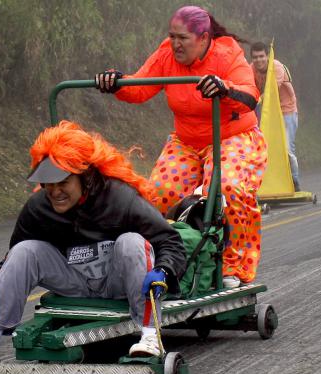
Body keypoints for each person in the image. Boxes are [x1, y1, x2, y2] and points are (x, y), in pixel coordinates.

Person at [0, 120, 186, 359]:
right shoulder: (38, 208)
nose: (55, 191)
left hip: (118, 283)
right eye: (49, 184)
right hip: (75, 282)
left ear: (86, 177)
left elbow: (170, 242)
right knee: (25, 250)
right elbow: (13, 259)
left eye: (63, 182)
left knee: (132, 242)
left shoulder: (121, 198)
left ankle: (150, 338)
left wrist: (163, 271)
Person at [95, 5, 267, 288]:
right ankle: (154, 259)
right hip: (187, 141)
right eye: (172, 36)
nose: (175, 43)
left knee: (227, 187)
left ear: (203, 38)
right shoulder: (167, 54)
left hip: (231, 136)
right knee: (157, 194)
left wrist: (225, 90)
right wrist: (116, 83)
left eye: (183, 38)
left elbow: (250, 96)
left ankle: (235, 266)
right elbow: (139, 87)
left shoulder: (226, 53)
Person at [250, 41, 301, 191]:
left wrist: (256, 100)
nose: (258, 60)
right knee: (262, 148)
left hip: (286, 111)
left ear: (267, 56)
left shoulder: (276, 67)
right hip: (266, 110)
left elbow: (271, 91)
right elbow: (247, 85)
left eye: (261, 56)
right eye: (255, 57)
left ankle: (295, 181)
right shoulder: (250, 69)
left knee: (287, 148)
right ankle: (264, 184)